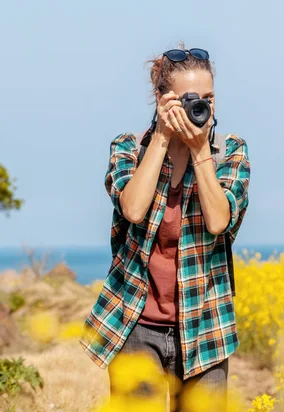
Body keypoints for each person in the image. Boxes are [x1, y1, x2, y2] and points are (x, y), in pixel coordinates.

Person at [79, 43, 250, 411]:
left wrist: (200, 150)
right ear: (162, 98)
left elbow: (220, 220)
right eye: (188, 98)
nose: (198, 107)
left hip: (205, 324)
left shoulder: (230, 152)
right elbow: (134, 209)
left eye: (207, 98)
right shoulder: (129, 148)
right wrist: (160, 137)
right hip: (135, 322)